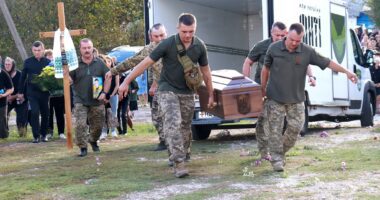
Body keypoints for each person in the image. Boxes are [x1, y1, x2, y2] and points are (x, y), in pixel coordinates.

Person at [118, 13, 215, 178]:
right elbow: (145, 63)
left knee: (185, 127)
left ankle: (182, 153)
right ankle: (179, 163)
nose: (187, 35)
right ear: (178, 28)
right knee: (172, 123)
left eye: (191, 31)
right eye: (184, 31)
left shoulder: (199, 46)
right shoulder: (167, 44)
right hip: (166, 89)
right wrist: (126, 81)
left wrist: (211, 94)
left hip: (186, 92)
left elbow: (206, 71)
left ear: (195, 29)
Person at [261, 23, 358, 172]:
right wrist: (263, 90)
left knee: (296, 128)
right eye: (292, 39)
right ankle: (277, 160)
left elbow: (328, 62)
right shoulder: (273, 49)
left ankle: (279, 152)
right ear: (287, 35)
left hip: (297, 98)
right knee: (275, 130)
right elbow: (265, 69)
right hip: (275, 97)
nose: (294, 43)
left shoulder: (307, 51)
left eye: (298, 40)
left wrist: (347, 73)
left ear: (302, 38)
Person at [242, 22, 316, 161]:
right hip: (263, 90)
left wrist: (311, 76)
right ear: (271, 33)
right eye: (277, 35)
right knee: (263, 122)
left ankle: (277, 152)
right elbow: (248, 62)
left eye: (283, 35)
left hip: (283, 91)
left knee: (284, 123)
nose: (280, 37)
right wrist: (246, 82)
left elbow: (305, 62)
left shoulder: (290, 46)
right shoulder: (262, 46)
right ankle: (265, 153)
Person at [106, 23, 167, 150]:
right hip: (160, 89)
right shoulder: (149, 49)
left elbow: (166, 69)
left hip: (174, 88)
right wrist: (113, 71)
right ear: (151, 37)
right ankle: (163, 141)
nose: (160, 39)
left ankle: (177, 144)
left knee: (174, 117)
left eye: (162, 35)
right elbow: (132, 61)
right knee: (156, 116)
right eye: (156, 36)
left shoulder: (173, 45)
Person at [68, 38, 111, 157]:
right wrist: (68, 79)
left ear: (92, 48)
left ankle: (92, 140)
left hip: (97, 100)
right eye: (84, 48)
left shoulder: (100, 63)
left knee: (98, 125)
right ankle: (82, 147)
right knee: (80, 124)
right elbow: (69, 79)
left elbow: (108, 77)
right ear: (80, 49)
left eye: (89, 48)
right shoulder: (74, 64)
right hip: (80, 99)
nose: (87, 50)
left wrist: (105, 93)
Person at [18, 41, 51, 143]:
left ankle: (44, 134)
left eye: (39, 50)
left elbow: (52, 77)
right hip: (32, 92)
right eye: (35, 50)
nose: (37, 52)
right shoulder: (28, 62)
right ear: (32, 50)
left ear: (43, 50)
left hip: (44, 92)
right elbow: (23, 77)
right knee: (35, 112)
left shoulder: (48, 62)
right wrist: (20, 92)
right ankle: (36, 136)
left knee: (45, 113)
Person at [45, 49, 66, 140]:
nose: (50, 58)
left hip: (59, 94)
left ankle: (61, 132)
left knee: (59, 114)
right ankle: (49, 132)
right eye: (48, 56)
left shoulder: (59, 66)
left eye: (52, 56)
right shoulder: (44, 68)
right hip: (48, 95)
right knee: (48, 114)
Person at [4, 57, 28, 137]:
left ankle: (22, 135)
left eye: (9, 64)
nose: (7, 66)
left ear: (13, 65)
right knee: (3, 115)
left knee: (21, 118)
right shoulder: (3, 74)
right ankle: (4, 134)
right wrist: (5, 95)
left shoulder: (20, 75)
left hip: (20, 98)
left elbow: (24, 90)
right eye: (6, 64)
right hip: (7, 98)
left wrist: (13, 96)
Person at [99, 55, 119, 139]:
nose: (107, 62)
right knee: (104, 114)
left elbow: (117, 85)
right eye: (106, 61)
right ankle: (104, 131)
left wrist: (111, 95)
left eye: (109, 61)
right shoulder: (101, 73)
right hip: (103, 95)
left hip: (113, 95)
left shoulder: (115, 72)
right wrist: (103, 95)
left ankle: (113, 130)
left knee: (113, 113)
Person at [0, 63, 14, 139]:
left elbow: (11, 88)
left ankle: (4, 136)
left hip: (2, 101)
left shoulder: (4, 73)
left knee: (2, 120)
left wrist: (4, 95)